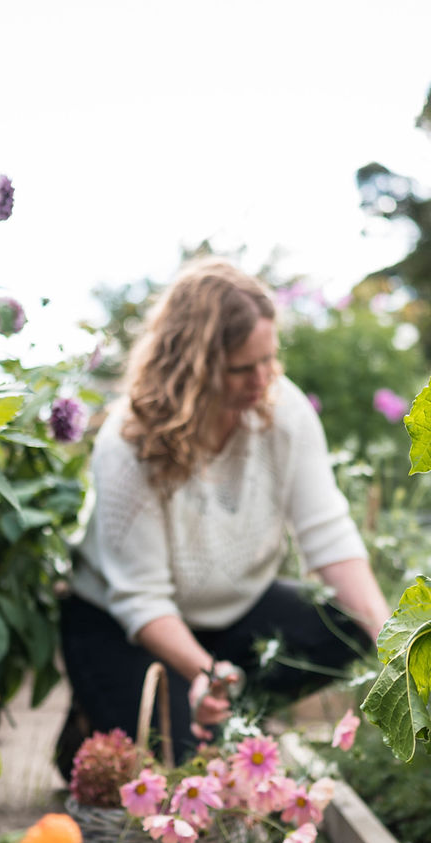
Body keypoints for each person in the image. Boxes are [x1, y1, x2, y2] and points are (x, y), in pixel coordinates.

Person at [57, 257, 390, 773]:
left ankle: (225, 717)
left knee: (348, 627)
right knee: (172, 773)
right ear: (193, 366)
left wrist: (390, 638)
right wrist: (206, 673)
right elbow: (141, 599)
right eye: (241, 368)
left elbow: (328, 536)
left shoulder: (284, 411)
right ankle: (99, 719)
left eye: (269, 360)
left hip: (232, 613)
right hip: (122, 626)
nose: (262, 379)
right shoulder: (128, 441)